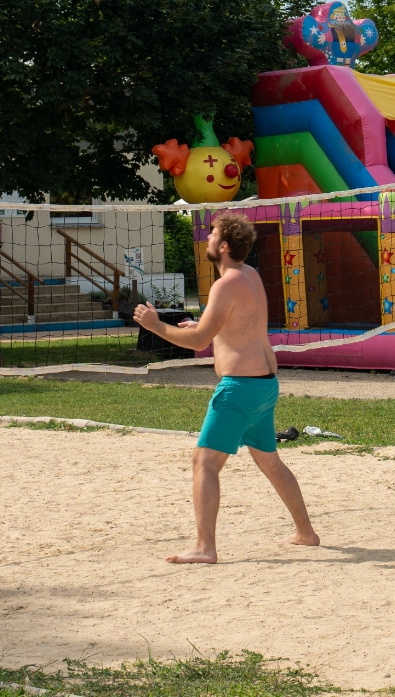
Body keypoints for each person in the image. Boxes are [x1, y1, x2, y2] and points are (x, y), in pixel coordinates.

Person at [132, 213, 320, 564]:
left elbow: (199, 341)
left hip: (239, 389)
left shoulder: (226, 282)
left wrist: (156, 325)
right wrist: (201, 323)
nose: (206, 238)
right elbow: (233, 326)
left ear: (224, 246)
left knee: (204, 461)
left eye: (212, 234)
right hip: (264, 386)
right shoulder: (249, 276)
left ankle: (205, 548)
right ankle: (306, 533)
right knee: (270, 462)